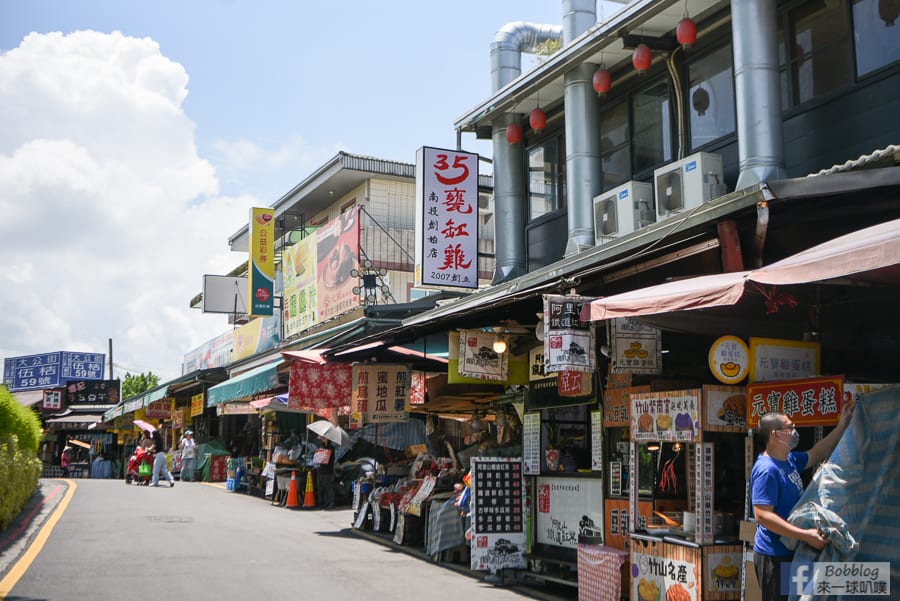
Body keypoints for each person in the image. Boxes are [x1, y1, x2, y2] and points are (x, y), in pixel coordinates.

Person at [750, 406, 853, 601]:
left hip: (791, 551)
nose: (794, 431)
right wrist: (805, 535)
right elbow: (762, 516)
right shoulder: (767, 469)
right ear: (775, 435)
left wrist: (841, 427)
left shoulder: (788, 460)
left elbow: (816, 453)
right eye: (790, 428)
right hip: (774, 555)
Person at [316, 437, 335, 509]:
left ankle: (331, 502)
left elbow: (332, 458)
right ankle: (326, 502)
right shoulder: (321, 447)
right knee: (324, 486)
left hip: (328, 469)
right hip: (322, 469)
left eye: (324, 438)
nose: (322, 439)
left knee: (329, 486)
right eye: (322, 438)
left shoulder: (331, 447)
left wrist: (326, 455)